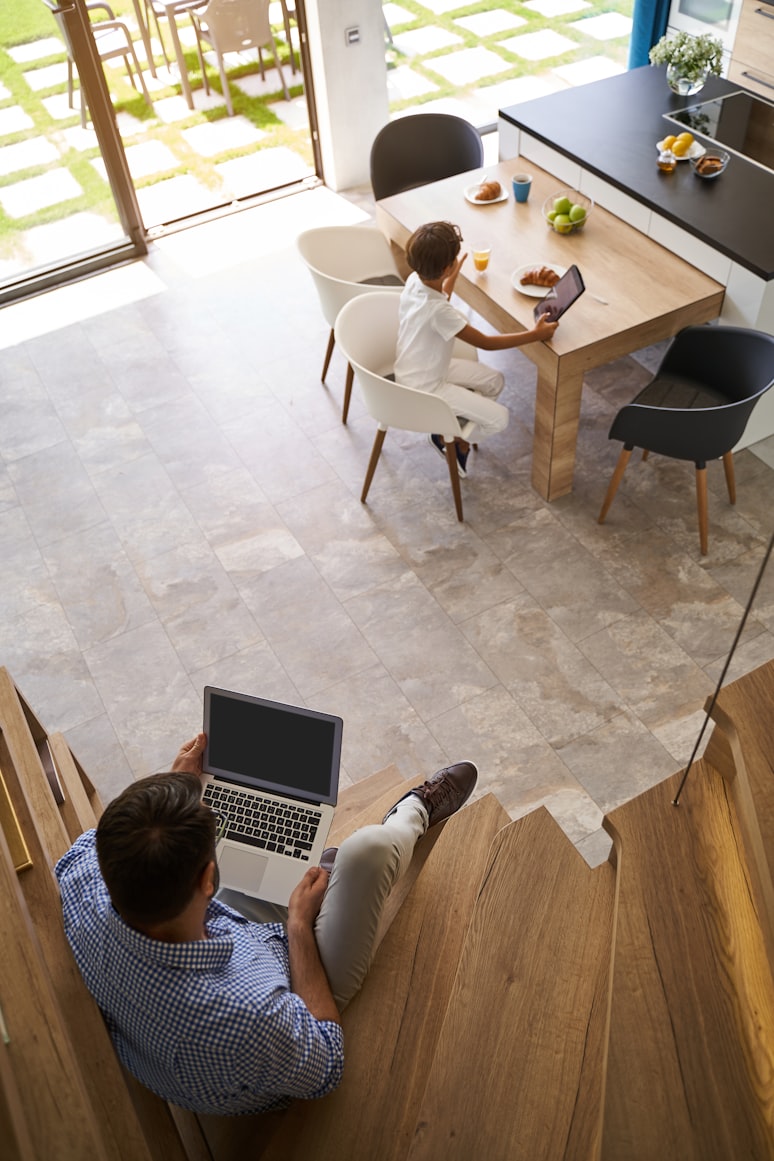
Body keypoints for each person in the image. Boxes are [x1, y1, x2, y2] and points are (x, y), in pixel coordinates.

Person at [54, 733, 477, 1117]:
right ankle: (415, 810)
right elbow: (327, 1060)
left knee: (309, 861)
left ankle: (322, 873)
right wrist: (298, 926)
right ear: (207, 880)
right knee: (371, 851)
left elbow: (91, 847)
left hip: (220, 933)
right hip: (292, 979)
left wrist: (174, 790)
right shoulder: (251, 1020)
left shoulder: (82, 884)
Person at [394, 219, 559, 476]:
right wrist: (535, 334)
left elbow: (439, 297)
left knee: (494, 380)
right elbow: (486, 343)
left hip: (418, 370)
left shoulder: (415, 281)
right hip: (426, 387)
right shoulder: (438, 311)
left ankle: (450, 428)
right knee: (499, 419)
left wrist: (452, 275)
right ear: (446, 267)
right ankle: (449, 437)